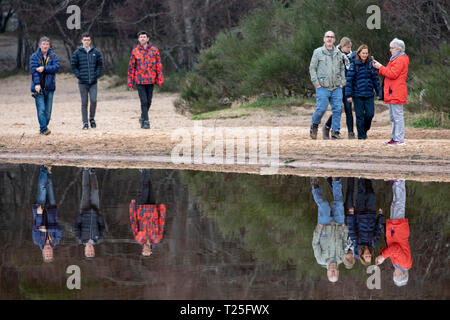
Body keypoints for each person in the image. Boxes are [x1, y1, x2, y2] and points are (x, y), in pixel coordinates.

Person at [372, 38, 410, 146]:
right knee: (394, 117)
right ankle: (395, 138)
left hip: (396, 91)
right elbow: (388, 72)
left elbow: (392, 74)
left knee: (397, 116)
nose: (390, 50)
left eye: (392, 48)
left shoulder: (400, 59)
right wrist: (378, 67)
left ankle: (399, 139)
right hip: (392, 91)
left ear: (398, 49)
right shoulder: (395, 59)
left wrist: (380, 67)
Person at [309, 31, 346, 140]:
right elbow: (312, 68)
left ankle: (335, 132)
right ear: (324, 39)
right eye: (327, 37)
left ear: (334, 40)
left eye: (331, 37)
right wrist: (316, 83)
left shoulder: (338, 53)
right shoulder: (318, 52)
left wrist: (342, 82)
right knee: (321, 108)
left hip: (336, 87)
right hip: (322, 86)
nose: (329, 39)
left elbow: (342, 68)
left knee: (338, 109)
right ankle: (314, 125)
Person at [310, 177, 348, 282]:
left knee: (324, 205)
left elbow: (315, 243)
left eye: (331, 274)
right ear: (338, 272)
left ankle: (315, 186)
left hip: (324, 225)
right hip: (338, 224)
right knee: (339, 203)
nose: (333, 271)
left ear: (327, 272)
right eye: (334, 273)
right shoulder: (342, 258)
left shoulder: (320, 259)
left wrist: (319, 228)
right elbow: (345, 242)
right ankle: (336, 180)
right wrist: (345, 229)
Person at [376, 180, 412, 287]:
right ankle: (400, 181)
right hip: (398, 231)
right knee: (399, 205)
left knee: (395, 205)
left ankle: (396, 183)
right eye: (394, 276)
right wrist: (383, 256)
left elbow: (390, 251)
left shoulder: (397, 265)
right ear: (400, 274)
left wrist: (381, 255)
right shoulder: (404, 263)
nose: (393, 274)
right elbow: (395, 248)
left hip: (393, 232)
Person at [127, 31, 164, 129]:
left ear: (148, 39)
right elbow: (131, 67)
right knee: (143, 101)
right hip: (140, 80)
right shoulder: (135, 51)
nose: (142, 38)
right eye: (141, 37)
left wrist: (159, 79)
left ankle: (143, 117)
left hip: (151, 79)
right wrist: (130, 83)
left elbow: (158, 65)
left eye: (144, 37)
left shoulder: (154, 50)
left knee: (149, 101)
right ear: (138, 39)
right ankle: (146, 121)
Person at [345, 45, 381, 140]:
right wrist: (348, 95)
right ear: (359, 53)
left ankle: (364, 130)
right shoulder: (354, 65)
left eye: (366, 53)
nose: (365, 55)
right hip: (357, 95)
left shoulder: (371, 64)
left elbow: (375, 80)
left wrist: (379, 92)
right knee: (359, 116)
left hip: (369, 94)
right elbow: (349, 81)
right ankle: (361, 136)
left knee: (370, 114)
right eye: (363, 53)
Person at [323, 37, 355, 139]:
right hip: (337, 86)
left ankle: (351, 132)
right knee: (338, 109)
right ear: (342, 46)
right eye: (347, 47)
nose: (349, 49)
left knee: (348, 109)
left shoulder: (351, 56)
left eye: (350, 47)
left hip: (348, 86)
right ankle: (328, 127)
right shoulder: (335, 55)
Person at [129, 169, 166, 256]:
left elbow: (133, 222)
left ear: (142, 251)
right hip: (153, 209)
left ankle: (146, 169)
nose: (146, 250)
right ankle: (144, 173)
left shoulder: (138, 238)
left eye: (144, 251)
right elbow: (161, 222)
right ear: (150, 251)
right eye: (147, 252)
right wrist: (162, 208)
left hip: (142, 209)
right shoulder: (157, 239)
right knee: (150, 187)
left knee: (145, 188)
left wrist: (132, 206)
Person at [347, 178, 384, 266]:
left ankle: (360, 175)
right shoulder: (373, 243)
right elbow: (377, 229)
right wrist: (380, 216)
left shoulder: (357, 242)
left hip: (360, 213)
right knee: (371, 194)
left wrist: (351, 215)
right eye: (369, 256)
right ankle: (368, 175)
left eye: (366, 257)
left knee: (361, 191)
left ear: (362, 255)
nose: (368, 255)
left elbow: (351, 228)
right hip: (371, 213)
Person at [71, 32, 103, 130]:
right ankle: (85, 123)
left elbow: (100, 64)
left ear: (90, 41)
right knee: (84, 102)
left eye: (88, 40)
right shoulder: (77, 53)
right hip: (82, 82)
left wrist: (96, 74)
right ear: (82, 41)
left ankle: (92, 118)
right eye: (85, 40)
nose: (86, 42)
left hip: (93, 82)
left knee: (93, 100)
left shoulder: (96, 52)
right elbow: (73, 65)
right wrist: (78, 75)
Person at [30, 36, 60, 135]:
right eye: (43, 44)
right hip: (38, 88)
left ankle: (43, 127)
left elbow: (56, 67)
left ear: (49, 46)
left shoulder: (53, 56)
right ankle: (44, 129)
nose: (45, 46)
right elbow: (34, 72)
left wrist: (44, 68)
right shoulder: (34, 57)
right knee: (41, 109)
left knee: (48, 113)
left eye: (47, 44)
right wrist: (37, 84)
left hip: (50, 87)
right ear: (40, 45)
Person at [32, 165, 62, 262]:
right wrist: (48, 229)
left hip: (41, 210)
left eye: (47, 254)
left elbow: (36, 227)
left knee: (42, 188)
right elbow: (59, 230)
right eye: (50, 254)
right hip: (52, 209)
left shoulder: (37, 241)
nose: (48, 252)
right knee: (49, 185)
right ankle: (47, 170)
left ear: (43, 253)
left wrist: (39, 214)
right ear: (52, 252)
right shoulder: (56, 240)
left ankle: (43, 168)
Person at [73, 168, 105, 258]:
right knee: (95, 191)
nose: (90, 250)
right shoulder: (98, 239)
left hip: (84, 210)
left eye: (88, 252)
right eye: (91, 252)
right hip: (95, 210)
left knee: (85, 190)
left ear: (85, 250)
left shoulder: (81, 239)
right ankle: (93, 173)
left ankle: (86, 171)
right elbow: (102, 226)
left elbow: (76, 227)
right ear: (94, 250)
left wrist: (81, 217)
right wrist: (98, 216)